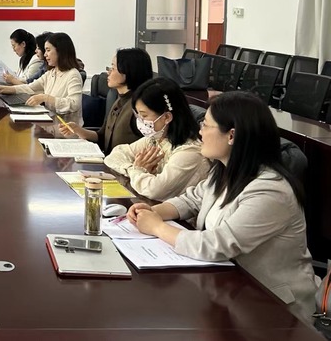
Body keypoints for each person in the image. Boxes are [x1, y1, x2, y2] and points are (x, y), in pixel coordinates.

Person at [127, 91, 319, 321]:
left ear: (231, 135)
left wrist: (157, 227)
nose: (200, 131)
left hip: (271, 308)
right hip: (229, 289)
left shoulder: (271, 190)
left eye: (206, 125)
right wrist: (152, 211)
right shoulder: (225, 170)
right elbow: (191, 199)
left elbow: (218, 244)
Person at [104, 77, 210, 201]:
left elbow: (154, 190)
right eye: (138, 115)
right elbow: (114, 156)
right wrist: (134, 169)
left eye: (144, 115)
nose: (140, 121)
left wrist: (138, 170)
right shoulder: (156, 139)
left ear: (167, 117)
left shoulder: (190, 151)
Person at [59, 48, 153, 154]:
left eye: (113, 68)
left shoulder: (139, 108)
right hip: (109, 160)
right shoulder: (119, 100)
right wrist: (78, 130)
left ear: (128, 72)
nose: (108, 72)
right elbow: (102, 137)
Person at [0, 32, 82, 122]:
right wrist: (3, 89)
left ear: (60, 51)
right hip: (51, 123)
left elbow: (74, 104)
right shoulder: (51, 73)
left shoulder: (73, 74)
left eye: (48, 50)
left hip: (66, 126)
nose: (45, 54)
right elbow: (30, 88)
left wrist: (45, 98)